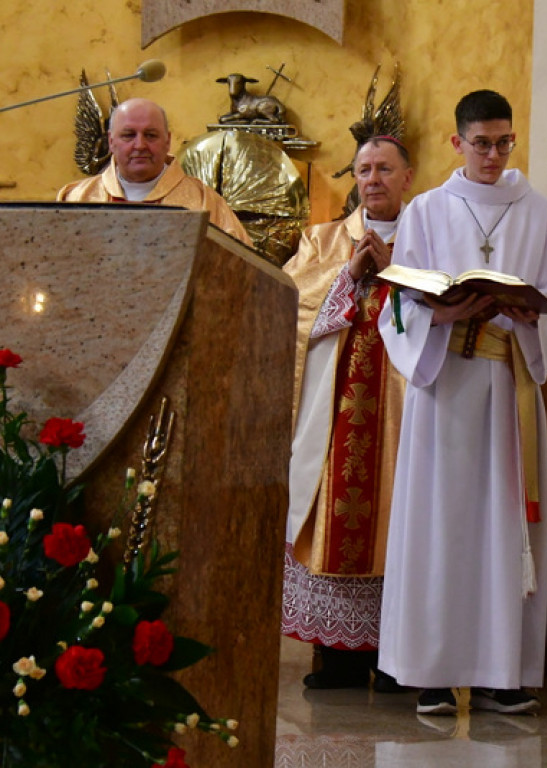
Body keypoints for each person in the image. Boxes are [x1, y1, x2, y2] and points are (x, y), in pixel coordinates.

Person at [377, 90, 547, 716]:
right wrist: (439, 313)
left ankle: (501, 671)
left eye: (504, 143)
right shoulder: (426, 211)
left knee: (503, 527)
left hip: (507, 386)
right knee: (442, 527)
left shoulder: (539, 211)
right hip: (444, 387)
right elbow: (397, 303)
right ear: (456, 142)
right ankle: (434, 672)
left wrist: (528, 315)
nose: (493, 155)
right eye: (481, 143)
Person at [280, 136, 413, 692]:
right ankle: (335, 655)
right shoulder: (323, 239)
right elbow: (290, 307)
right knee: (333, 515)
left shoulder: (427, 238)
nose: (374, 179)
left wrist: (399, 277)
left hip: (406, 415)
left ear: (408, 177)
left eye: (385, 169)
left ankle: (398, 657)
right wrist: (347, 278)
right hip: (335, 414)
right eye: (364, 170)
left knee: (399, 517)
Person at [57, 97, 251, 245]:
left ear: (167, 141)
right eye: (128, 135)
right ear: (111, 142)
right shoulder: (77, 198)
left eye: (150, 135)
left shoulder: (204, 202)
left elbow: (240, 272)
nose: (140, 145)